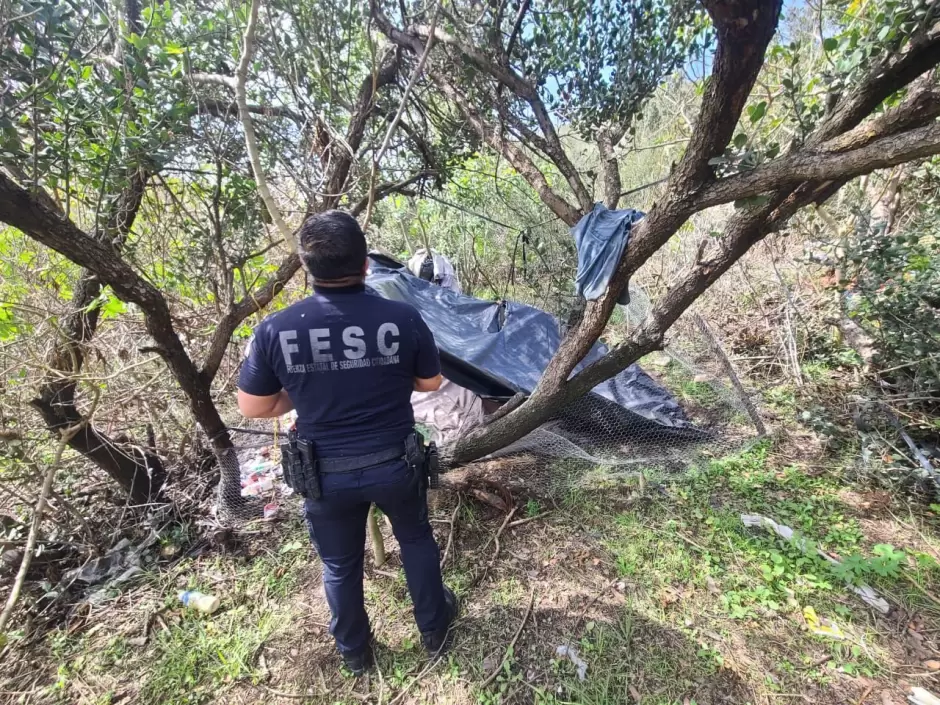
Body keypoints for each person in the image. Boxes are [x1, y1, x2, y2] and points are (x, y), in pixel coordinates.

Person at [236, 210, 457, 675]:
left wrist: (303, 391)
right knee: (416, 539)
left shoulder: (276, 328)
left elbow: (253, 406)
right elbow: (431, 381)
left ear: (305, 266)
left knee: (339, 564)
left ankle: (356, 654)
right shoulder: (401, 317)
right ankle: (435, 632)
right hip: (396, 463)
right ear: (365, 265)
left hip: (323, 474)